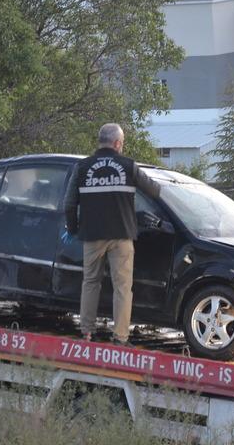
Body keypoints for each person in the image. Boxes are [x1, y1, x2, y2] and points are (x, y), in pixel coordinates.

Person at [64, 123, 161, 347]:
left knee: (90, 282)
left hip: (92, 234)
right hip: (121, 235)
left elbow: (69, 205)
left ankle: (87, 333)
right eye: (122, 143)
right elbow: (155, 190)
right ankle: (120, 338)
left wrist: (73, 229)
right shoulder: (128, 166)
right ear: (117, 143)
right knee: (122, 287)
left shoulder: (83, 167)